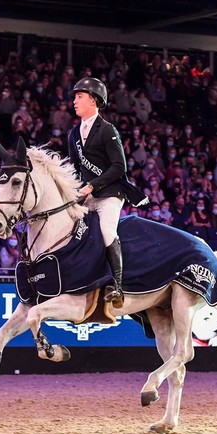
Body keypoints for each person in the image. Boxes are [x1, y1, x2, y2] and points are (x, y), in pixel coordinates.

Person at [68, 77, 146, 308]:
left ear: (93, 100)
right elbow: (74, 168)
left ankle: (117, 285)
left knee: (105, 230)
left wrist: (92, 186)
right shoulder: (74, 133)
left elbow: (119, 167)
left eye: (79, 97)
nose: (74, 101)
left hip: (110, 194)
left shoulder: (107, 130)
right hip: (86, 194)